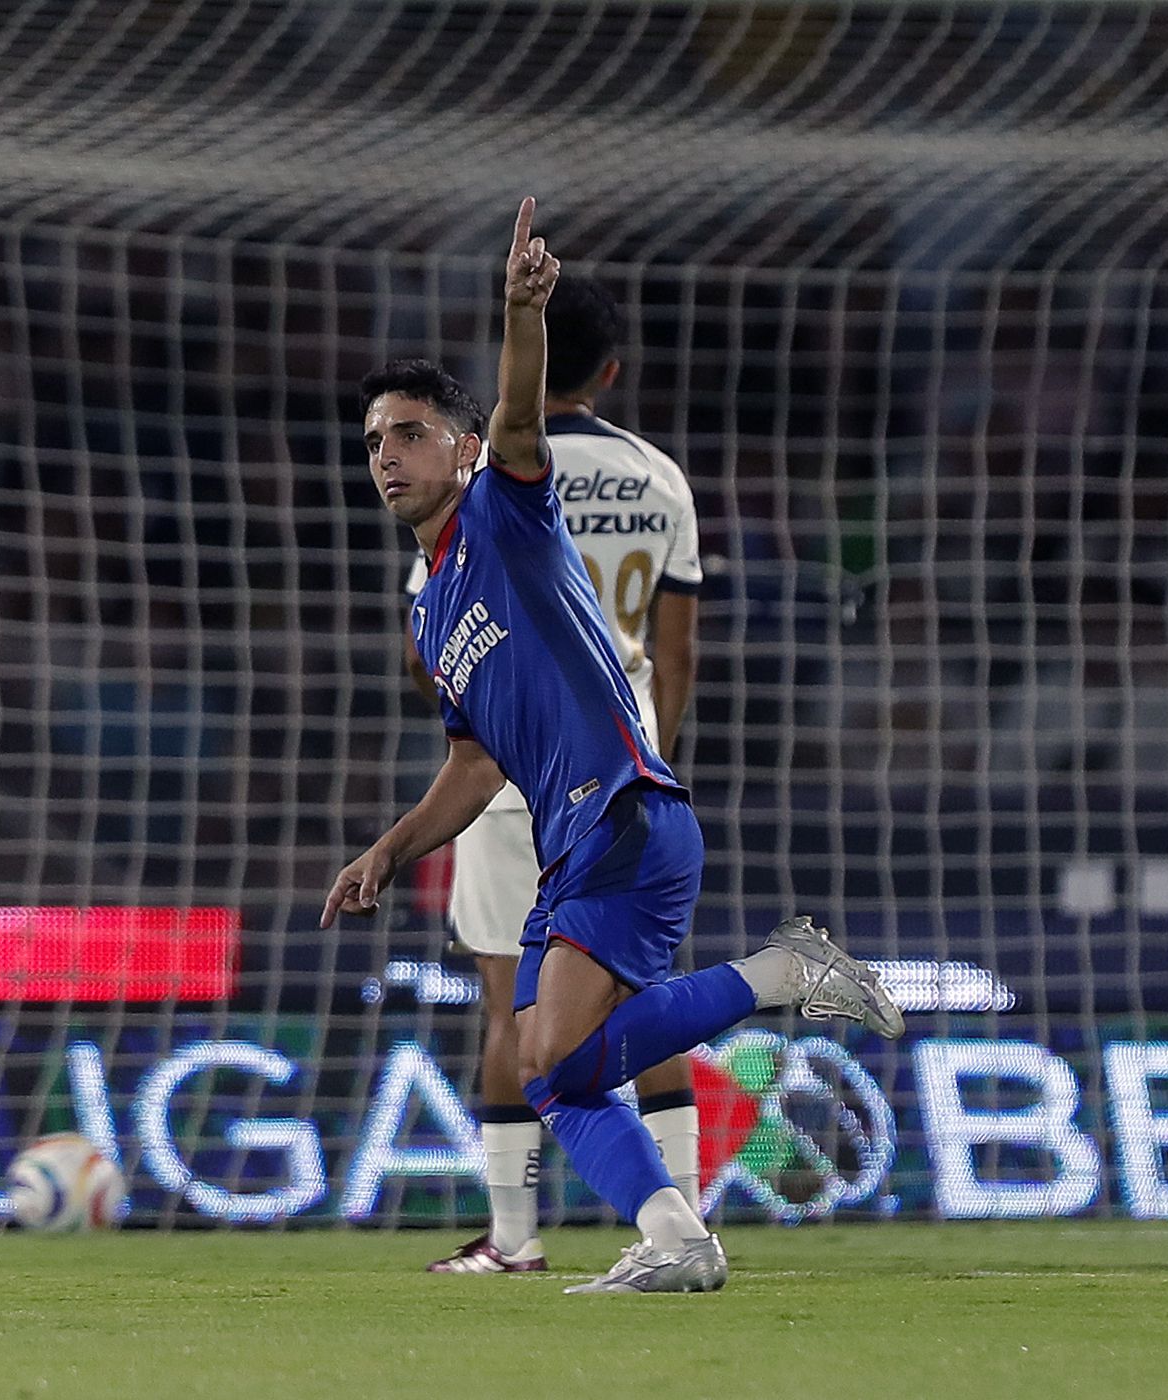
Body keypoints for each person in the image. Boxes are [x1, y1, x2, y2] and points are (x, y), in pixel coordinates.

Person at [324, 199, 903, 1294]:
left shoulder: (505, 508)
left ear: (462, 444)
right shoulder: (433, 610)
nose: (385, 456)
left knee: (555, 1053)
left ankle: (786, 970)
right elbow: (473, 762)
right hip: (571, 838)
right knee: (555, 1070)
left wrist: (520, 314)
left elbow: (525, 423)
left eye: (407, 432)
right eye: (371, 442)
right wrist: (390, 851)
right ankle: (678, 1234)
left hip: (623, 814)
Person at [400, 272, 704, 1275]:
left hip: (512, 765)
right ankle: (680, 1212)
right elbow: (676, 648)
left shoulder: (478, 476)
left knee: (509, 1006)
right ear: (611, 370)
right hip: (623, 762)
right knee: (640, 991)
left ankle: (516, 1237)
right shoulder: (658, 476)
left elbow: (435, 640)